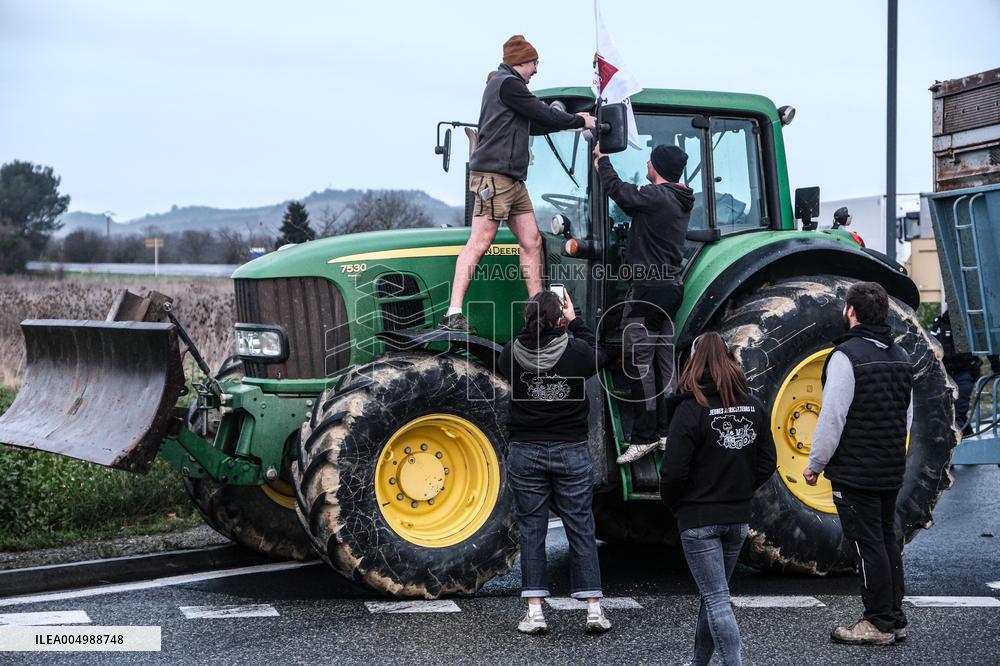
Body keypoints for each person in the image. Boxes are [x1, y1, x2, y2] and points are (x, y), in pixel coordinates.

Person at [439, 35, 597, 332]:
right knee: (481, 240)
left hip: (513, 180)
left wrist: (569, 122)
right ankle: (452, 312)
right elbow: (541, 112)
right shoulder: (507, 84)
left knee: (533, 241)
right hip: (495, 177)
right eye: (535, 63)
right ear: (521, 62)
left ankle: (540, 313)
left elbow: (538, 122)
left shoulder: (510, 90)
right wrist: (579, 120)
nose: (536, 70)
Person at [803, 281, 913, 646]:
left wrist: (816, 462)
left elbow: (832, 417)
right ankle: (894, 618)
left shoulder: (846, 356)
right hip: (889, 467)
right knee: (886, 540)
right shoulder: (901, 357)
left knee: (868, 545)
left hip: (856, 471)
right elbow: (906, 417)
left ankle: (878, 622)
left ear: (851, 312)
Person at [659, 332, 776, 666]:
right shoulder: (753, 406)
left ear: (693, 364)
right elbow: (768, 462)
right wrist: (738, 490)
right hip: (736, 518)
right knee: (713, 596)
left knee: (716, 598)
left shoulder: (689, 410)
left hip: (698, 520)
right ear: (730, 360)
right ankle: (698, 663)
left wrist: (677, 505)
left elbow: (673, 473)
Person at [498, 289, 610, 635]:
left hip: (526, 450)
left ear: (528, 317)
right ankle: (593, 610)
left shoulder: (509, 353)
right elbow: (600, 355)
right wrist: (576, 323)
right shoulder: (575, 351)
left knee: (532, 529)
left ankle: (535, 613)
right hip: (570, 449)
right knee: (580, 526)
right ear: (559, 317)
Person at [593, 143, 694, 463]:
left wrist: (602, 160)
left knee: (638, 364)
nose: (646, 162)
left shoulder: (656, 196)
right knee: (665, 363)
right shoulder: (679, 198)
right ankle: (665, 432)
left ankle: (644, 436)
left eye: (651, 160)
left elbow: (618, 191)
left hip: (647, 290)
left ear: (659, 167)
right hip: (669, 289)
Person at [929, 309, 1000, 434]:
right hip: (945, 374)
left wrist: (996, 367)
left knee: (958, 412)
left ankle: (958, 448)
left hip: (964, 372)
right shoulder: (941, 322)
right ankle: (967, 438)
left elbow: (986, 343)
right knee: (949, 413)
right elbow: (930, 346)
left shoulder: (970, 322)